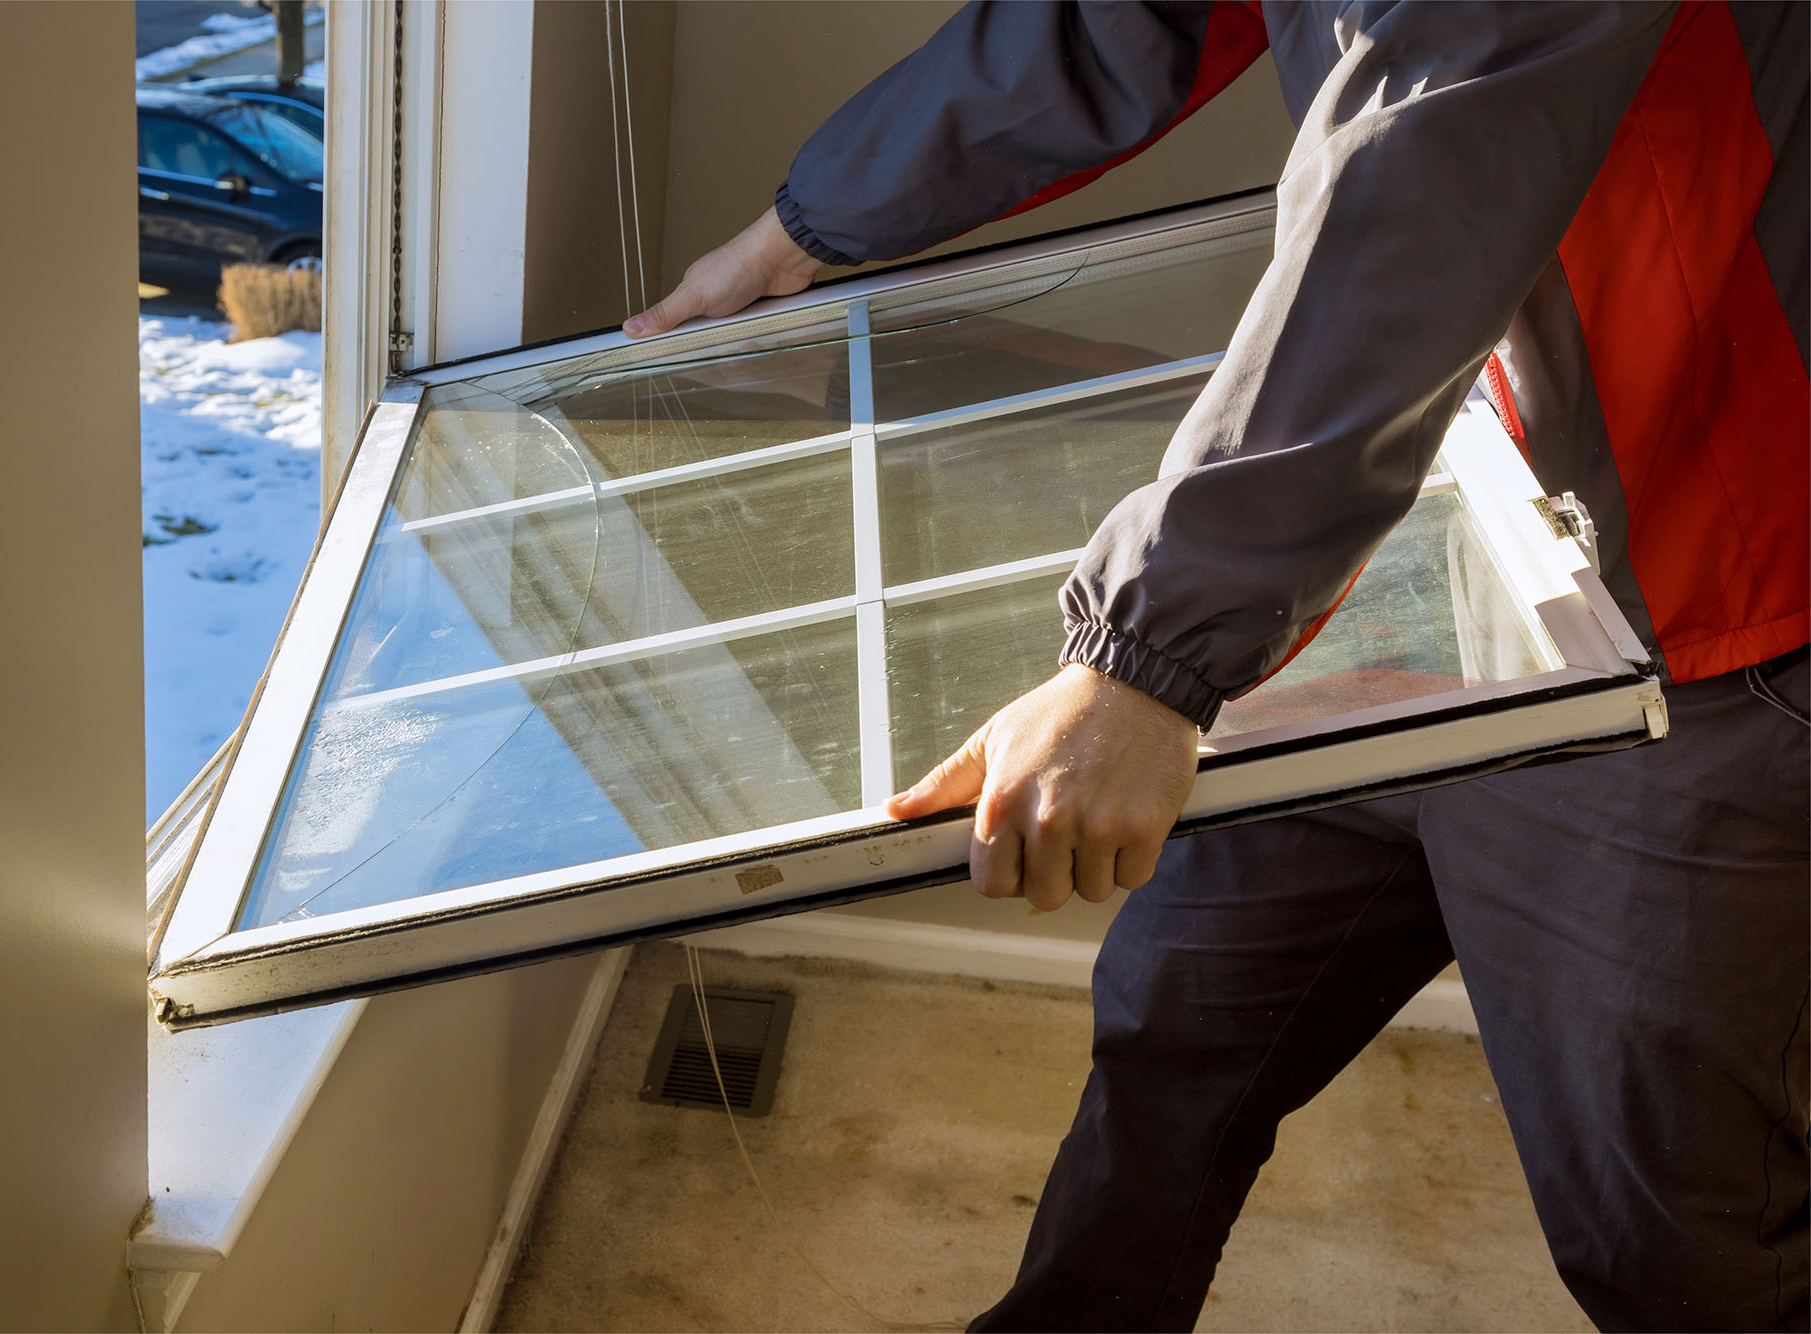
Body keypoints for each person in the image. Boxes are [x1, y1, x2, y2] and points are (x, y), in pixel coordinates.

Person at [625, 3, 1809, 1329]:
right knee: (1175, 1022)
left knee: (1676, 1238)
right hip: (1442, 520)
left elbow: (1426, 177)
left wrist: (1150, 654)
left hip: (1696, 610)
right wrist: (817, 221)